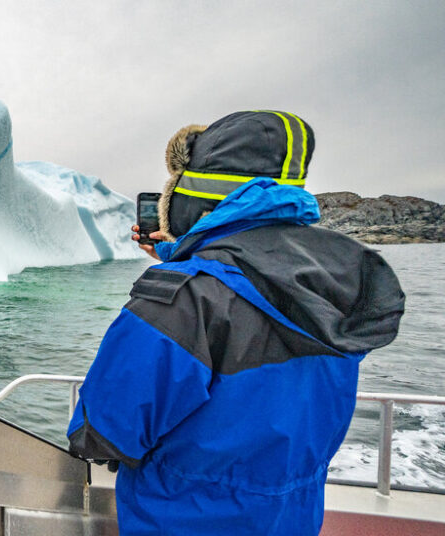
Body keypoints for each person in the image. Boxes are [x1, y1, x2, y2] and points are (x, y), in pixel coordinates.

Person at [67, 111, 405, 535]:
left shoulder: (181, 299)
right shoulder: (332, 282)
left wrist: (184, 275)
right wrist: (188, 259)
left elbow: (105, 431)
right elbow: (252, 289)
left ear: (194, 197)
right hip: (291, 520)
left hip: (184, 520)